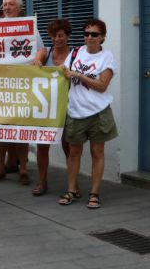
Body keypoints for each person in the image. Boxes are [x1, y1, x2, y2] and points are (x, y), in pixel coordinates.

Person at [0, 0, 46, 185]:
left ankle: (24, 169)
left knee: (21, 126)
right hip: (1, 85)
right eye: (4, 4)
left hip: (21, 84)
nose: (6, 7)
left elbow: (42, 49)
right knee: (1, 127)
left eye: (11, 4)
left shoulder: (28, 27)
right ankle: (0, 167)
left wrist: (37, 59)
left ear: (19, 8)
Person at [59, 19, 117, 209]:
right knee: (74, 152)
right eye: (86, 33)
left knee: (97, 152)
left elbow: (102, 86)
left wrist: (78, 75)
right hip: (76, 111)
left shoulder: (106, 57)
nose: (89, 37)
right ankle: (71, 189)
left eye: (94, 34)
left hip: (98, 112)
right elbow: (62, 73)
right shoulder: (76, 53)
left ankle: (94, 193)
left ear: (102, 38)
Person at [31, 18, 74, 196]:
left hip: (69, 107)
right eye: (54, 36)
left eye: (61, 36)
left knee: (68, 146)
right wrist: (37, 63)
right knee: (42, 146)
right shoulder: (45, 53)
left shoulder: (75, 55)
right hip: (46, 108)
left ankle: (73, 184)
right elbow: (36, 61)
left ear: (67, 36)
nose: (57, 39)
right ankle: (42, 182)